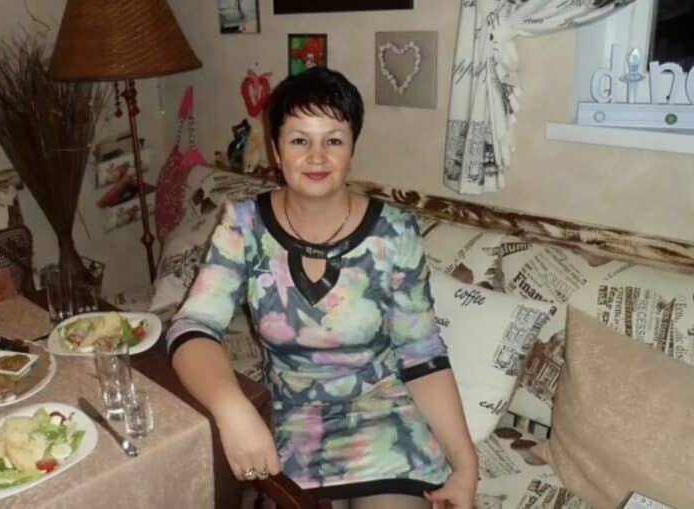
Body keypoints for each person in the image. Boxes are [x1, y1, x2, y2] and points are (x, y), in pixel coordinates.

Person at [166, 67, 478, 509]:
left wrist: (465, 465)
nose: (317, 157)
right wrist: (232, 408)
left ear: (352, 149)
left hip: (384, 421)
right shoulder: (244, 225)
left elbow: (421, 353)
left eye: (333, 140)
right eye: (299, 140)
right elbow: (192, 327)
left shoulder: (394, 231)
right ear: (276, 150)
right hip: (293, 427)